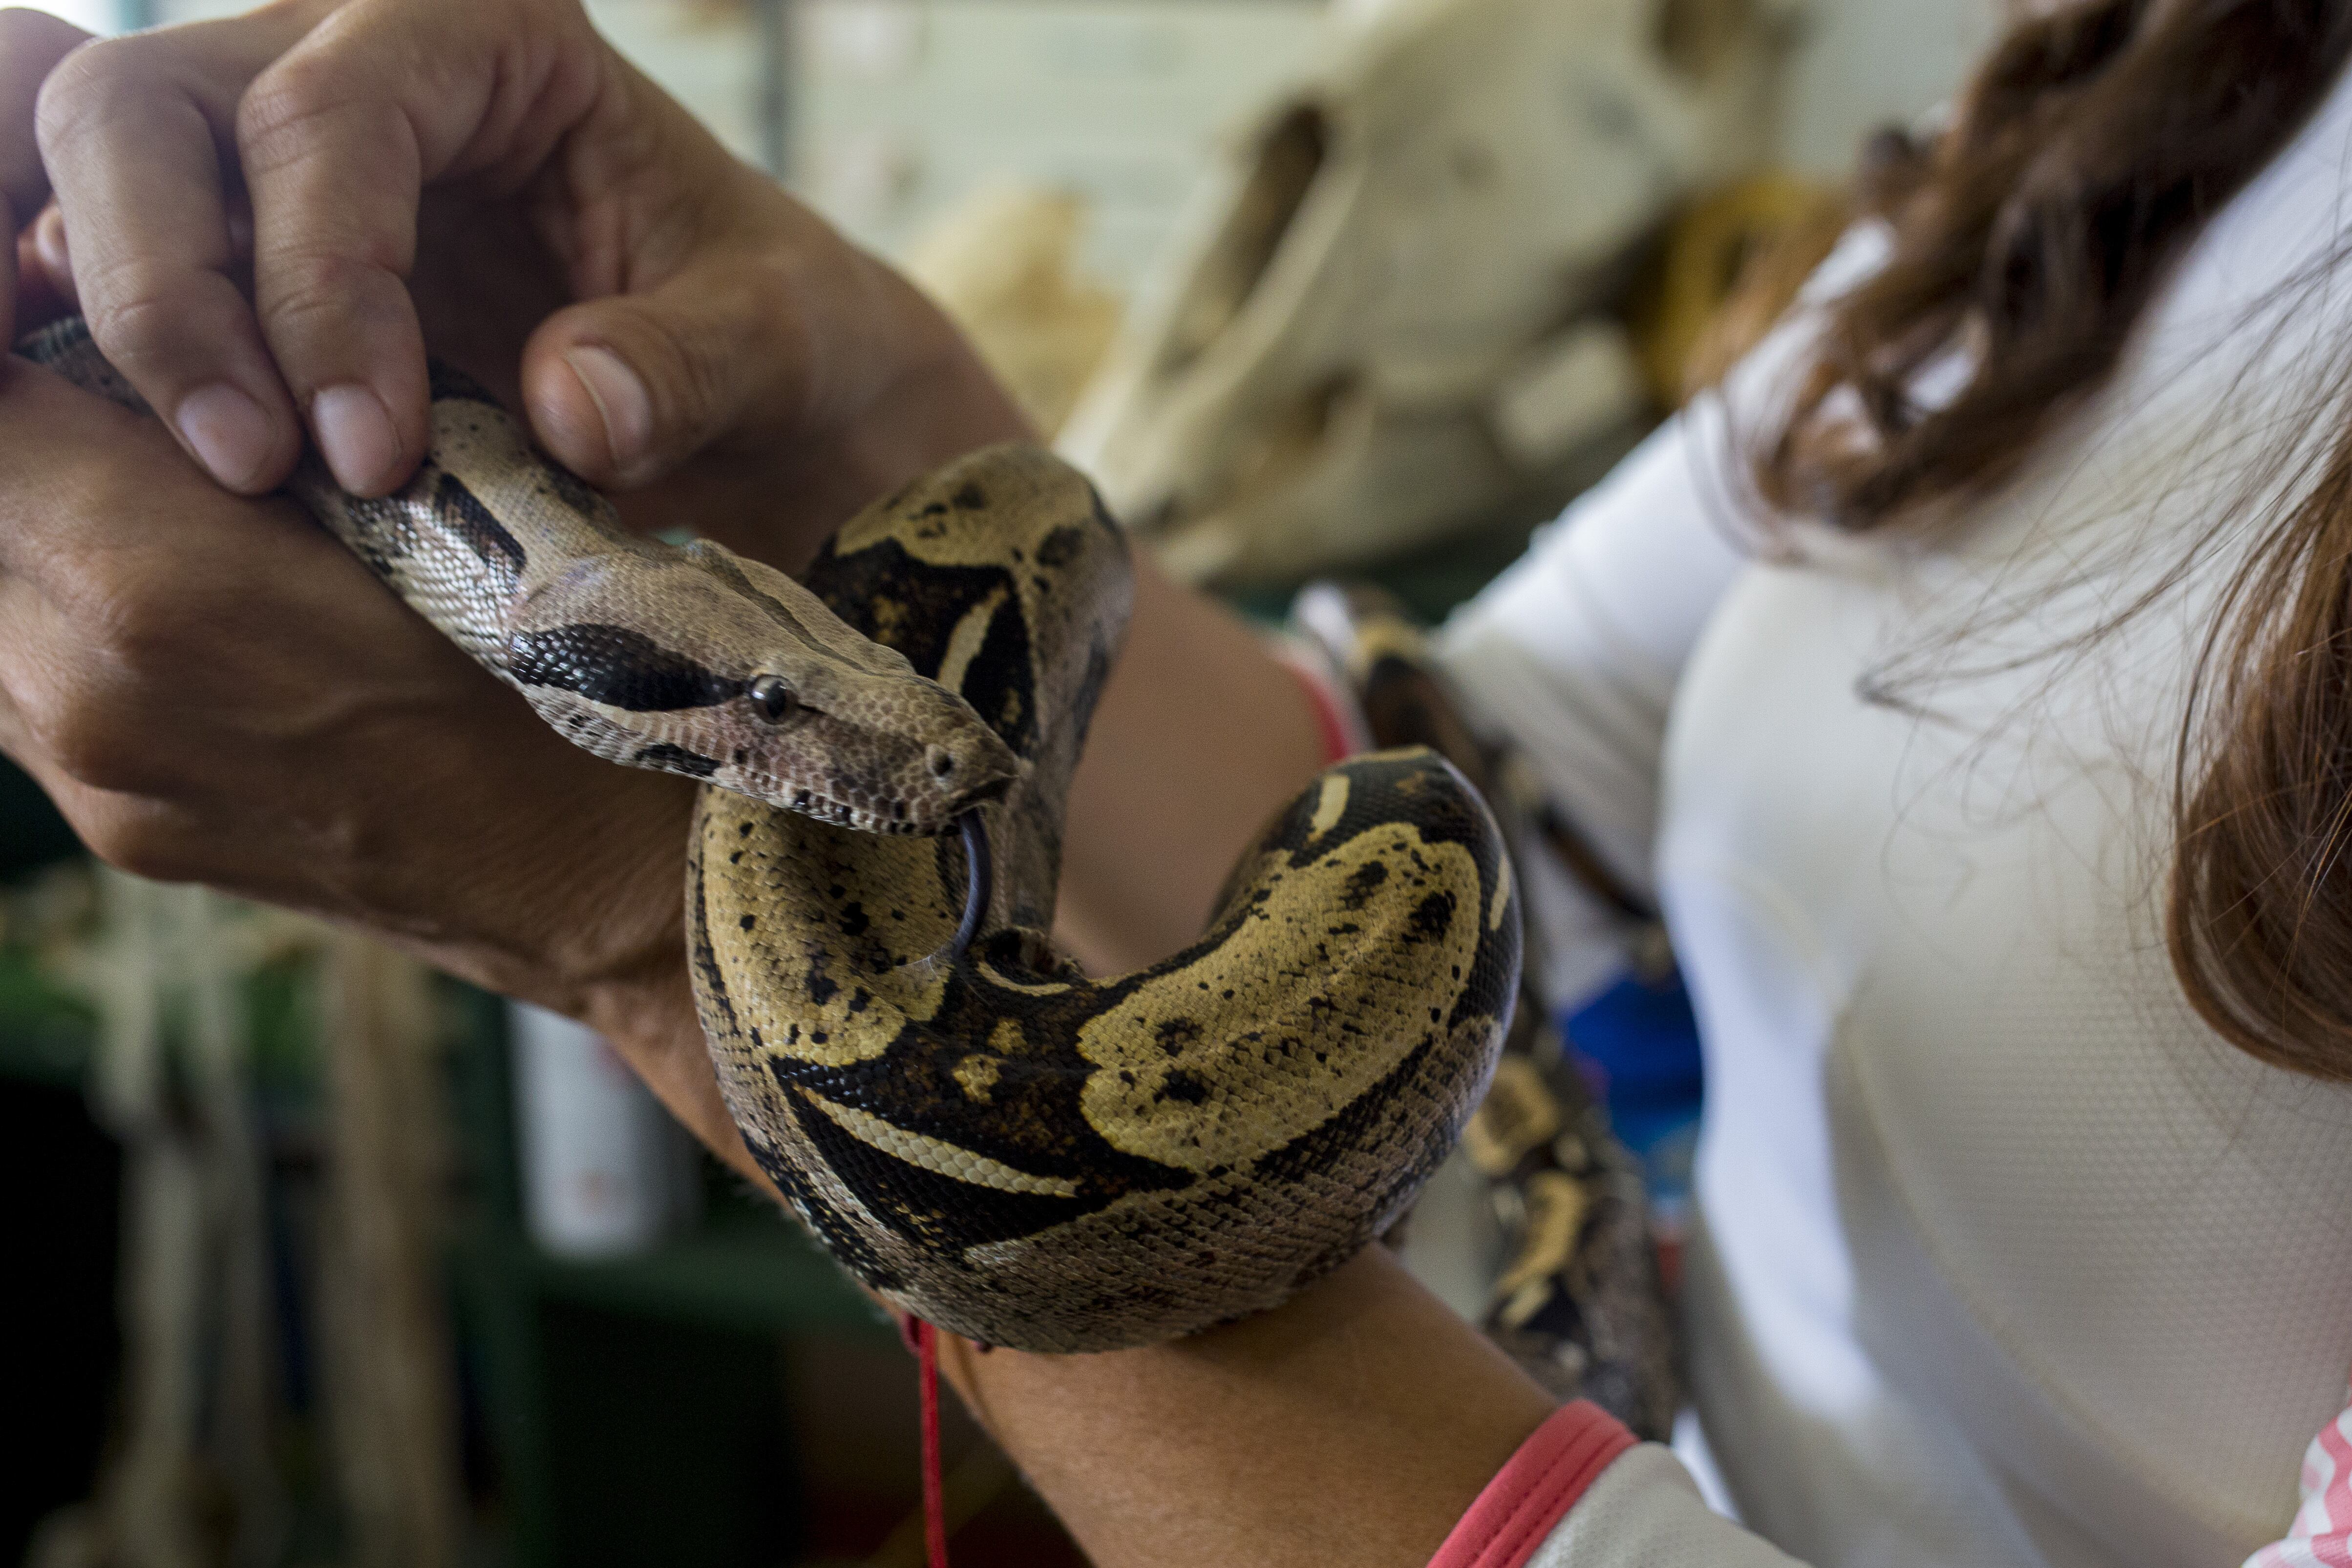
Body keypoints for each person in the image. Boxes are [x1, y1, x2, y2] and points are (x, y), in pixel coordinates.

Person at [3, 0, 2351, 1559]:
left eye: (779, 724)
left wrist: (654, 952)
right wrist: (879, 420)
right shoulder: (2216, 67)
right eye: (765, 715)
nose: (878, 767)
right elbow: (1509, 767)